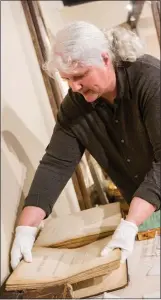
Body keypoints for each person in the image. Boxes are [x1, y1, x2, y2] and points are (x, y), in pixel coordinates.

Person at [11, 21, 160, 270]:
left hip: (141, 209)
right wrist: (25, 228)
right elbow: (56, 164)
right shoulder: (75, 106)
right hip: (146, 211)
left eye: (80, 76)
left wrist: (131, 222)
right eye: (67, 79)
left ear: (105, 58)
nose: (74, 87)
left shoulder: (150, 80)